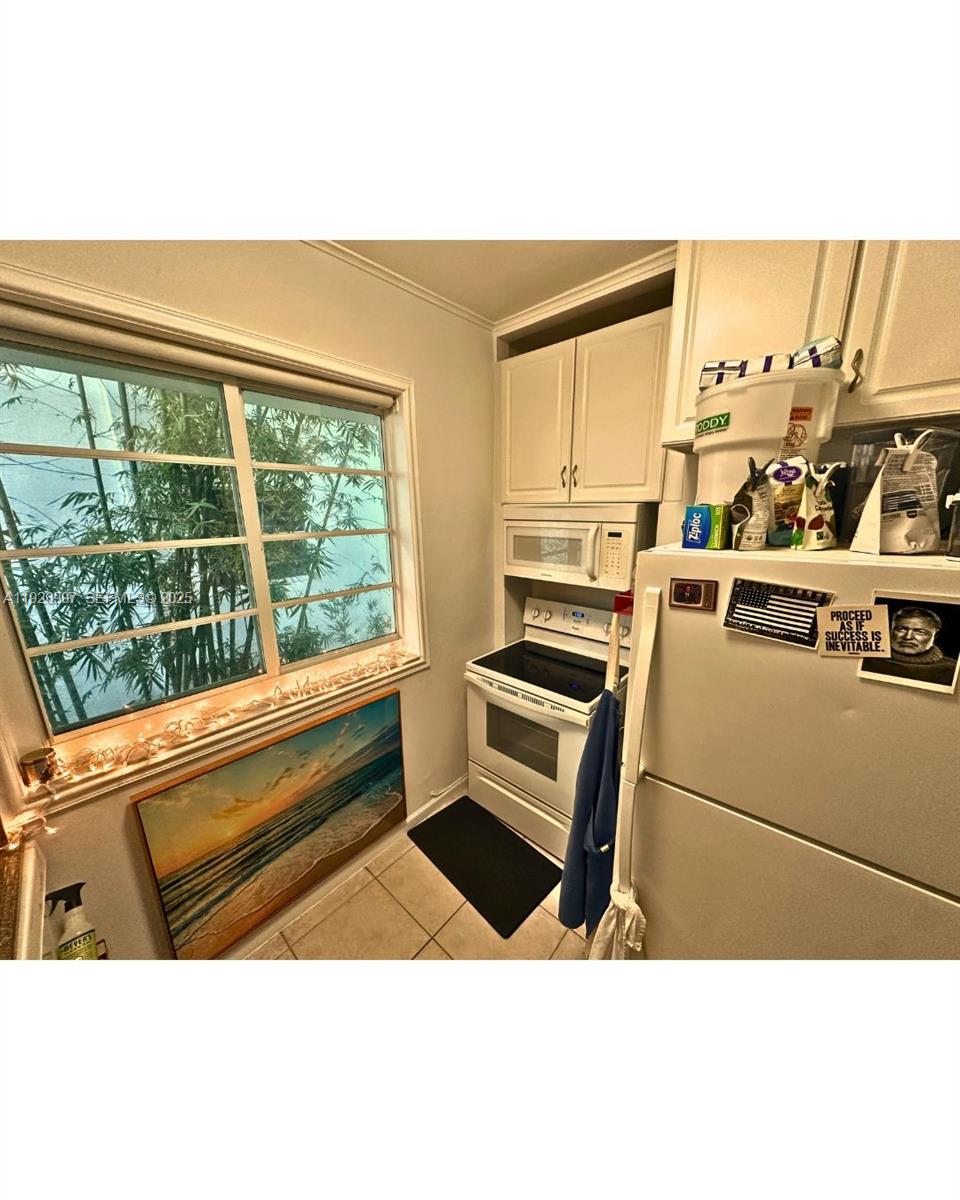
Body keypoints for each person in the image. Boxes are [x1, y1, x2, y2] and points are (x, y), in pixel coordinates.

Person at [869, 606, 958, 687]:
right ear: (890, 630)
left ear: (935, 636)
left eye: (920, 632)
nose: (908, 637)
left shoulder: (952, 669)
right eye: (901, 629)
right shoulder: (869, 660)